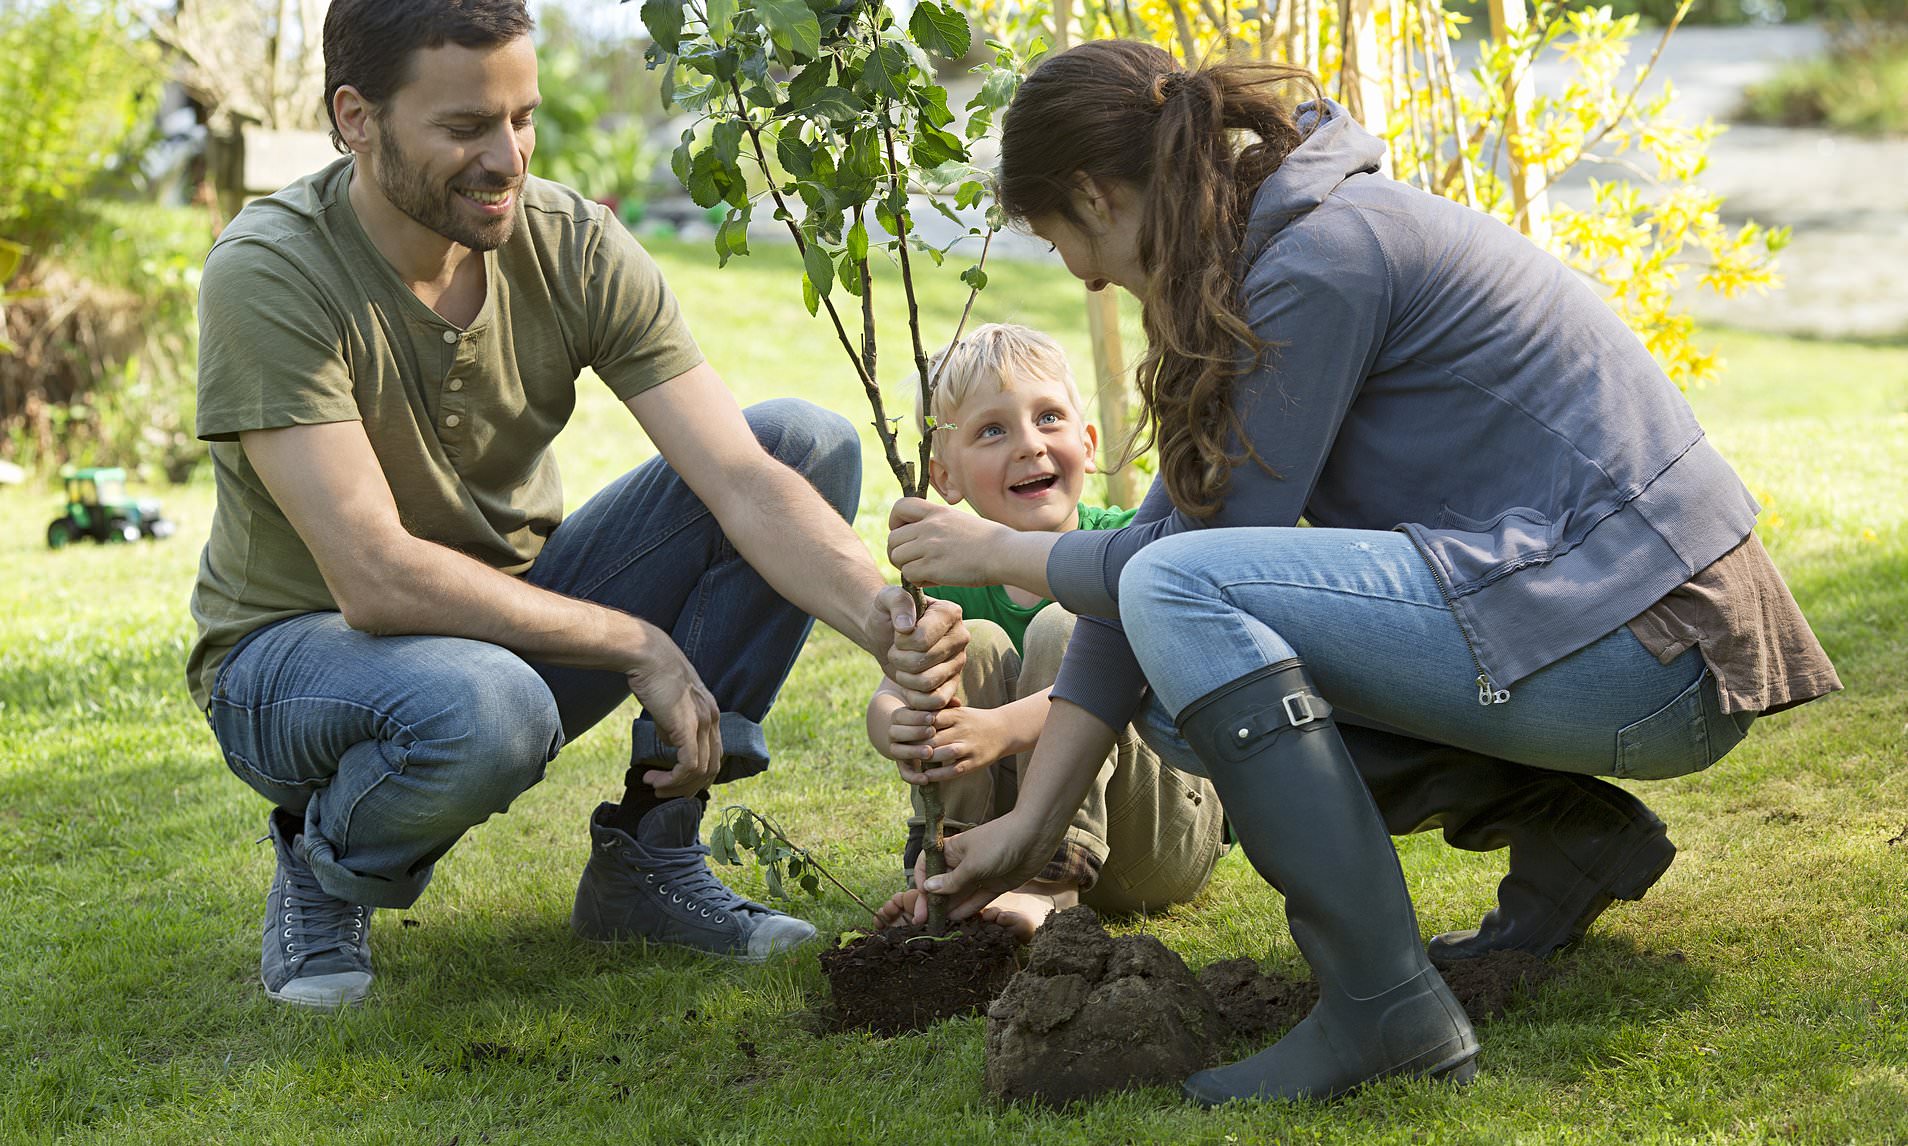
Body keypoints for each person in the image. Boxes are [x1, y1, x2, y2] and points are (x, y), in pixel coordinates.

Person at [886, 41, 1840, 1105]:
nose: (1094, 280)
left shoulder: (1320, 260)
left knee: (1180, 601)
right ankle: (1568, 842)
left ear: (1095, 195)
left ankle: (1385, 1011)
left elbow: (1176, 569)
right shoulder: (1266, 253)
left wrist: (997, 550)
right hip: (1597, 622)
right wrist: (1029, 828)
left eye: (1081, 252)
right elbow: (1171, 547)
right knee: (1175, 673)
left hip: (1654, 643)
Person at [189, 0, 967, 1011]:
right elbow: (374, 577)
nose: (507, 156)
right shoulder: (272, 271)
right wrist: (635, 641)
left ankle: (651, 859)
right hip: (292, 660)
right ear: (356, 117)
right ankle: (323, 857)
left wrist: (883, 621)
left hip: (496, 625)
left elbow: (739, 476)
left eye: (522, 118)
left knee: (799, 443)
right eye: (466, 127)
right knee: (486, 706)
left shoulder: (565, 242)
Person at [866, 324, 1227, 939]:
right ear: (943, 478)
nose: (1030, 445)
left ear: (1087, 445)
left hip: (1157, 837)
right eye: (992, 430)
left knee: (1073, 622)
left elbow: (1128, 684)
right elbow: (893, 692)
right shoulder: (946, 585)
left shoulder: (1123, 546)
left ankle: (1049, 888)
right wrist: (892, 724)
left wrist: (998, 730)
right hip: (1002, 845)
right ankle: (947, 875)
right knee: (967, 642)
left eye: (1049, 417)